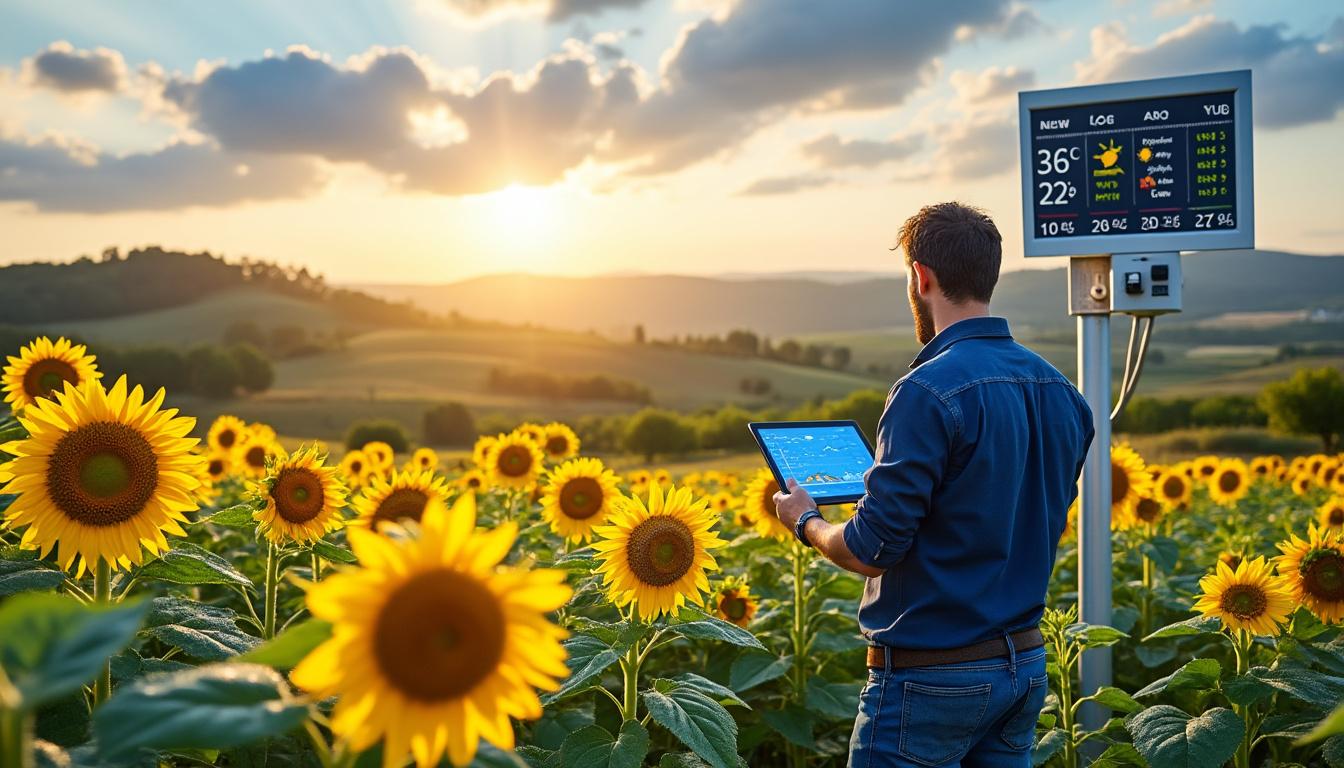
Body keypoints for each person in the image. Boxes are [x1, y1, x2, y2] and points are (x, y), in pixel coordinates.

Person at [773, 202, 1094, 767]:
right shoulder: (1062, 392)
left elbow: (873, 550)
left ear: (921, 277)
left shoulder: (926, 391)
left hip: (931, 679)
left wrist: (807, 521)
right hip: (1022, 669)